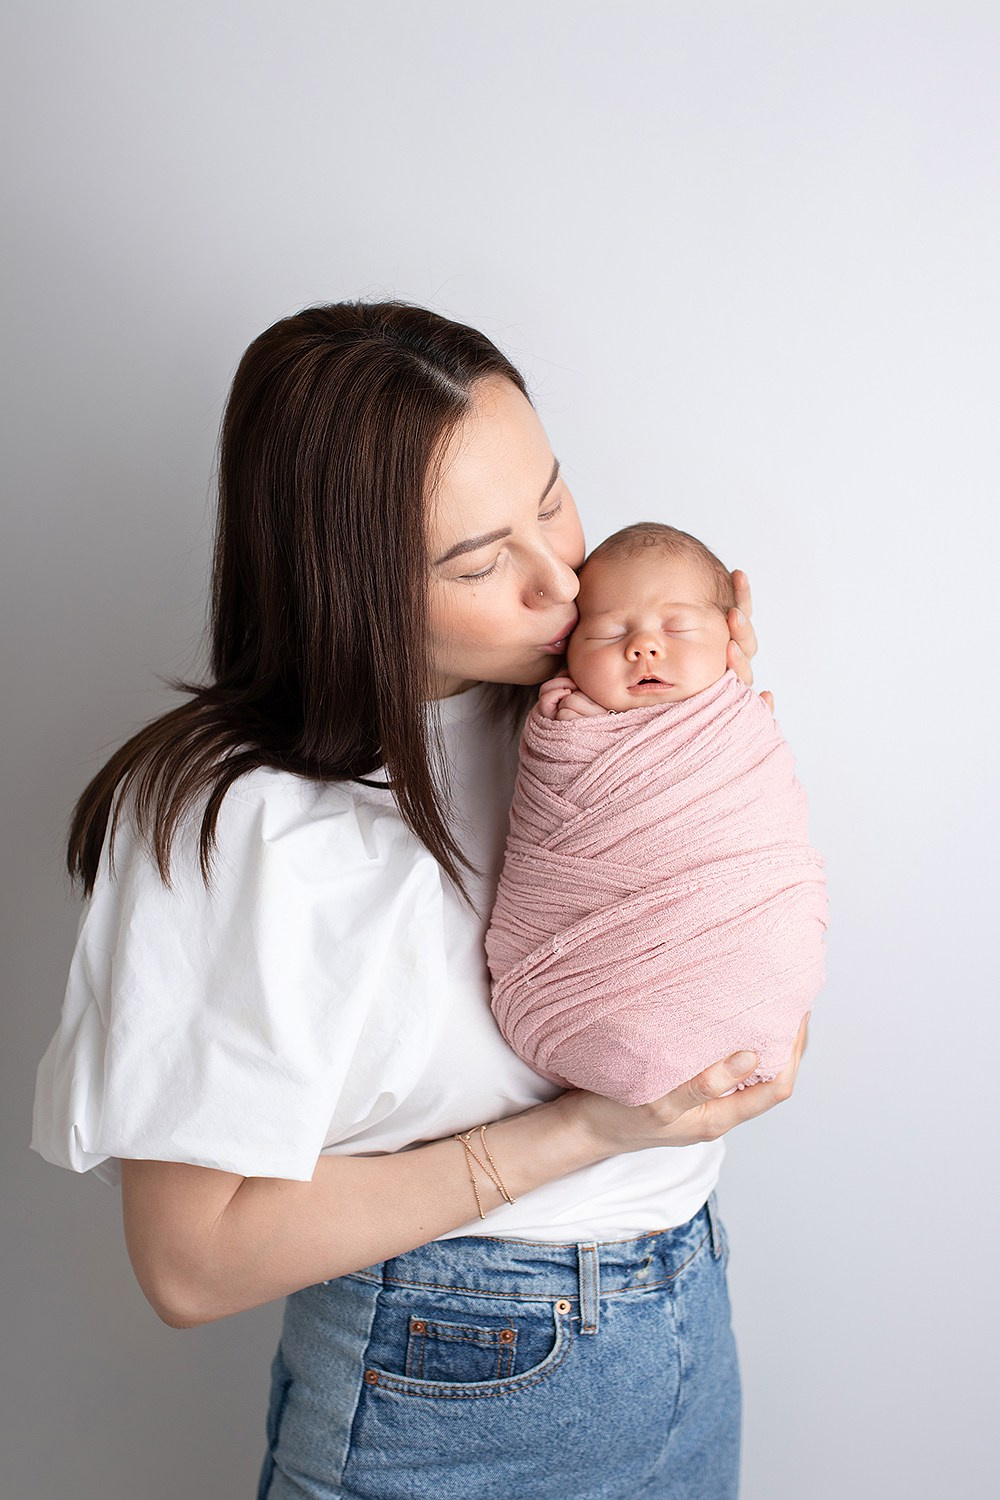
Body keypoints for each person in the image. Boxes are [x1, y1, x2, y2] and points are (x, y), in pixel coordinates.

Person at [31, 301, 809, 1500]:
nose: (561, 580)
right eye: (482, 560)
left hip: (687, 1320)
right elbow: (191, 1265)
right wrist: (582, 1134)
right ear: (349, 583)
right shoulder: (239, 821)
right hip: (457, 1376)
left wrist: (704, 714)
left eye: (550, 497)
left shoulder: (598, 707)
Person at [486, 521, 828, 1107]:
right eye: (607, 633)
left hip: (749, 949)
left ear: (730, 638)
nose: (643, 646)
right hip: (578, 1000)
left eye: (678, 627)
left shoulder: (733, 726)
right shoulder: (560, 734)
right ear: (564, 652)